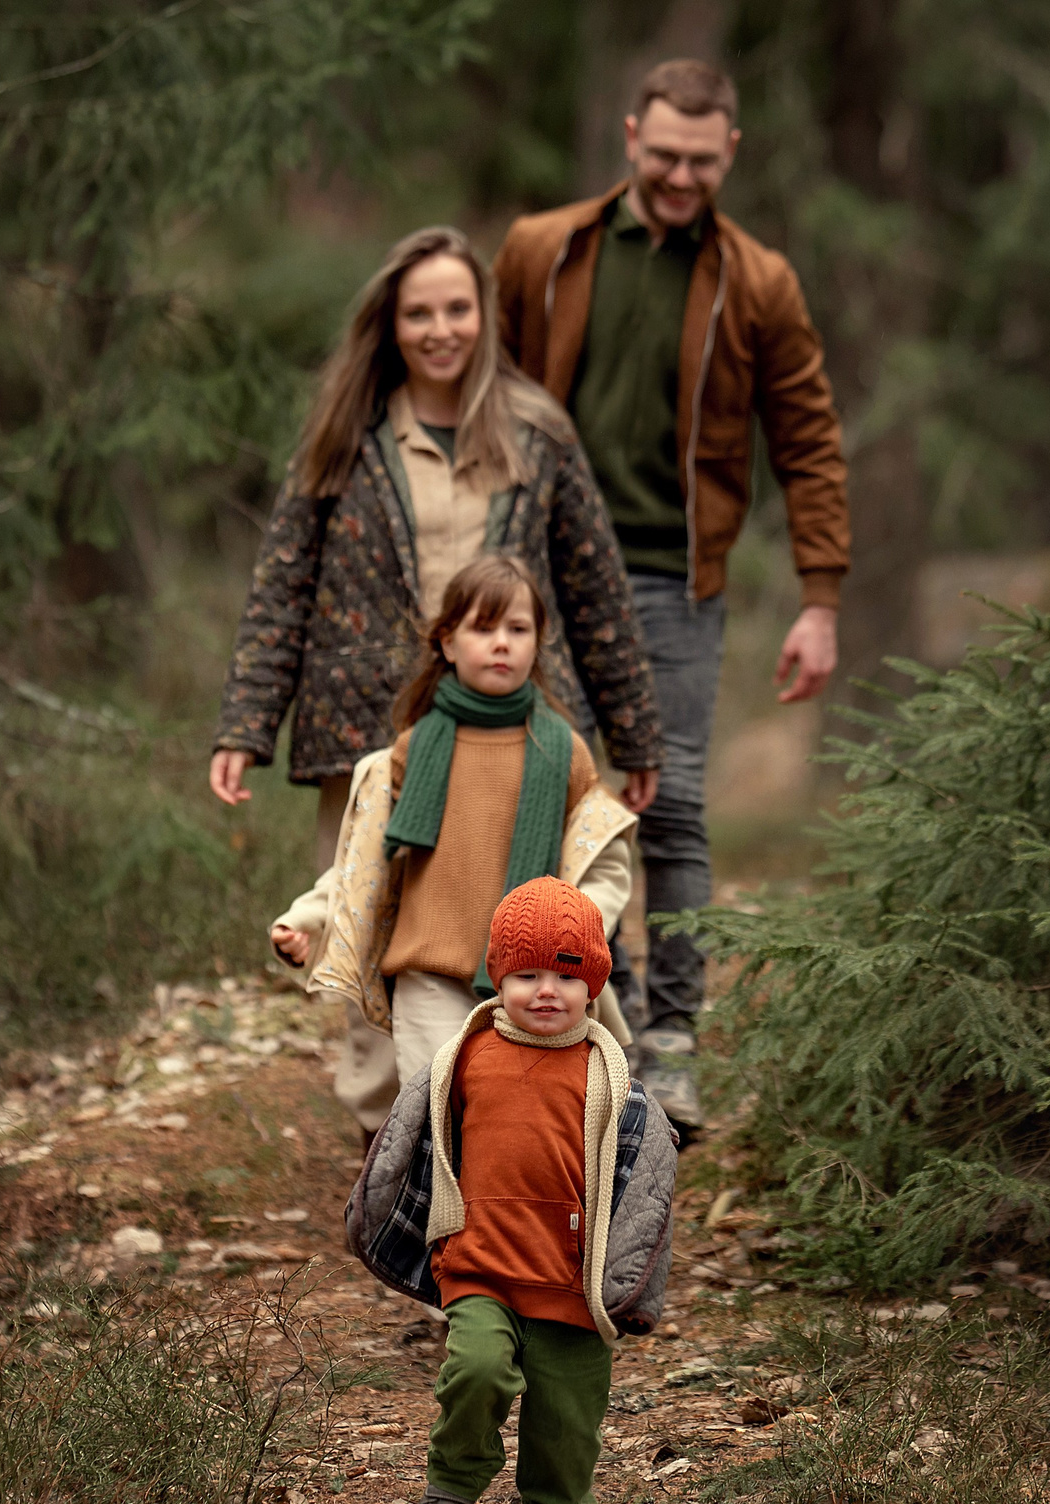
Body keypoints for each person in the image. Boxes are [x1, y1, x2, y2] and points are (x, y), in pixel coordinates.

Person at [210, 225, 664, 1134]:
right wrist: (245, 723)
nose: (440, 329)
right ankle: (392, 1130)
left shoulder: (536, 433)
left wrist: (632, 727)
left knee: (538, 912)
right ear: (390, 323)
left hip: (519, 728)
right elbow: (284, 579)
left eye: (457, 308)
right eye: (419, 312)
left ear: (484, 317)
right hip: (374, 725)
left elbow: (593, 582)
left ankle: (549, 1114)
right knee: (379, 910)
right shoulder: (346, 436)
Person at [495, 58, 852, 1132]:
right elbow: (485, 398)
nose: (682, 175)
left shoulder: (760, 281)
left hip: (671, 580)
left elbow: (809, 441)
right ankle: (556, 1022)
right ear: (628, 135)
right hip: (542, 576)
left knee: (675, 806)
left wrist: (819, 595)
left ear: (730, 151)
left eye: (702, 160)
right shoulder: (542, 249)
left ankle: (672, 1040)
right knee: (545, 801)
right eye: (663, 156)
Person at [343, 876, 679, 1504]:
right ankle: (453, 1481)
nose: (545, 989)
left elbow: (646, 1186)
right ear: (498, 976)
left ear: (594, 985)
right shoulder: (464, 1058)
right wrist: (392, 1216)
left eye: (566, 974)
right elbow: (410, 1134)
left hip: (570, 1277)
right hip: (481, 1262)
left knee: (567, 1411)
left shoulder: (611, 1079)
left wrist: (628, 1283)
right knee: (476, 1368)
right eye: (525, 974)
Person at [270, 557, 639, 1089]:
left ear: (537, 643)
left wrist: (578, 934)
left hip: (537, 979)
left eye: (518, 629)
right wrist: (308, 918)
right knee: (439, 1102)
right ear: (446, 643)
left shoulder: (565, 752)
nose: (502, 643)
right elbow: (362, 864)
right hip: (429, 972)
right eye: (482, 628)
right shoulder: (412, 751)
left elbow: (603, 864)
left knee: (519, 1106)